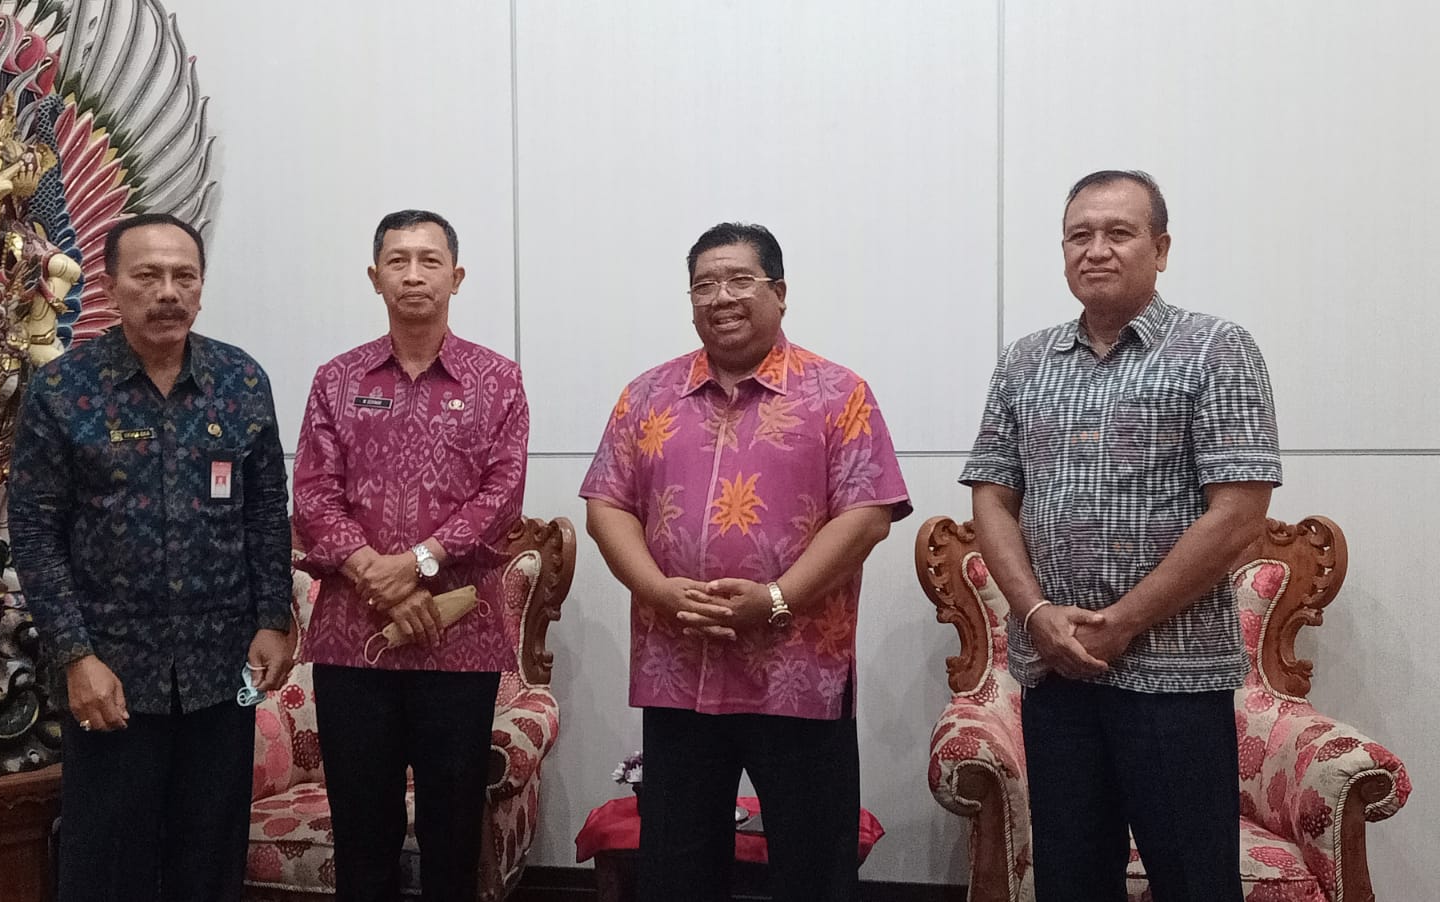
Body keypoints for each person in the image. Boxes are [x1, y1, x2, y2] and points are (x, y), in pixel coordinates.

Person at [961, 170, 1281, 902]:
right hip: (1055, 672)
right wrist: (1037, 615)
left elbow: (1238, 515)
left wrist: (1122, 623)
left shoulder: (1216, 349)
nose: (1096, 249)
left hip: (1174, 676)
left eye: (1119, 233)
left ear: (1160, 249)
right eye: (1080, 235)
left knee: (1195, 881)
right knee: (1070, 880)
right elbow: (993, 497)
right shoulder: (1024, 361)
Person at [580, 222, 910, 902]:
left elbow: (867, 516)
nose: (721, 296)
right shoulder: (646, 395)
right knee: (676, 865)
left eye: (739, 279)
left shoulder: (837, 393)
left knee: (812, 867)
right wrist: (658, 591)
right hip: (678, 666)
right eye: (704, 284)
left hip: (798, 671)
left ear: (779, 292)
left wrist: (777, 599)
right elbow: (607, 506)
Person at [9, 212, 294, 902]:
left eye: (183, 276)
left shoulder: (240, 380)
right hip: (109, 673)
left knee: (211, 862)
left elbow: (265, 509)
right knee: (109, 868)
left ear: (200, 287)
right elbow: (36, 533)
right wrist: (75, 656)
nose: (168, 291)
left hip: (223, 668)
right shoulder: (63, 390)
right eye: (148, 275)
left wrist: (273, 617)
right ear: (110, 287)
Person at [292, 209, 530, 902]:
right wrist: (376, 575)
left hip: (457, 636)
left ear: (457, 276)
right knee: (362, 833)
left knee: (453, 836)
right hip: (353, 638)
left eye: (430, 260)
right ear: (375, 278)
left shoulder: (497, 379)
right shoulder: (337, 379)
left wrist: (417, 565)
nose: (414, 274)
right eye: (398, 261)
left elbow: (502, 497)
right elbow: (313, 493)